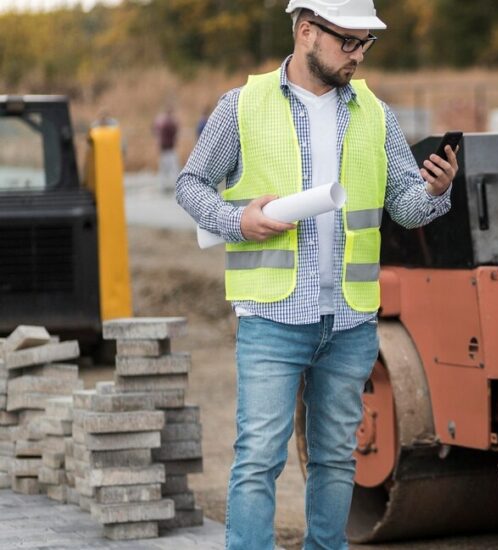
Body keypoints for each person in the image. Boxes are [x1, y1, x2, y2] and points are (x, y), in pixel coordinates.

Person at [174, 0, 459, 547]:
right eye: (348, 42)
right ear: (307, 31)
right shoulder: (243, 105)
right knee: (258, 459)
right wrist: (236, 221)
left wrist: (434, 190)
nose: (358, 54)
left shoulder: (375, 112)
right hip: (273, 317)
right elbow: (190, 184)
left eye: (365, 44)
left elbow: (404, 205)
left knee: (335, 457)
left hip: (350, 318)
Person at [152, 105, 179, 194]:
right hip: (169, 149)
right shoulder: (169, 123)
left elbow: (153, 130)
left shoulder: (159, 121)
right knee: (173, 168)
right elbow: (175, 131)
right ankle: (176, 186)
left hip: (163, 149)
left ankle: (163, 186)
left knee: (163, 170)